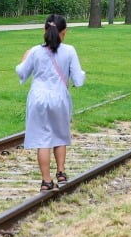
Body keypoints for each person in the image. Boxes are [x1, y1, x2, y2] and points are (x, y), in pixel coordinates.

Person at [16, 15, 86, 191]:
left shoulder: (34, 51)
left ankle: (46, 181)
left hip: (38, 98)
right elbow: (78, 80)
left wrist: (23, 59)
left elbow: (22, 72)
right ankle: (61, 172)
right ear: (64, 32)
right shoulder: (70, 51)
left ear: (44, 31)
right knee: (60, 135)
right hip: (59, 97)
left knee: (42, 140)